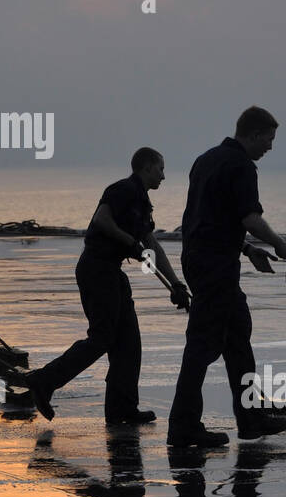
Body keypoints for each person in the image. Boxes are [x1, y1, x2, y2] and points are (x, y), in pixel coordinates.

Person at [26, 148, 188, 425]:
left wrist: (176, 284)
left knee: (129, 343)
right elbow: (101, 220)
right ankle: (44, 380)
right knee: (102, 337)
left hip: (112, 272)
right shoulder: (122, 190)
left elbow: (151, 245)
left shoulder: (142, 202)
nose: (163, 175)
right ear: (147, 167)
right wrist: (127, 241)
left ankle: (121, 409)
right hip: (96, 269)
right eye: (160, 168)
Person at [167, 106, 286, 447]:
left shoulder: (205, 160)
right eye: (268, 139)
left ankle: (250, 418)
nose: (269, 146)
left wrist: (248, 249)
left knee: (238, 336)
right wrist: (283, 244)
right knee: (203, 343)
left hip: (200, 257)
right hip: (215, 266)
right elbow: (250, 218)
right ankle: (183, 426)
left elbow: (212, 216)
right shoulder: (241, 166)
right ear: (252, 135)